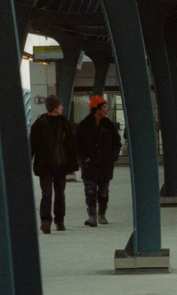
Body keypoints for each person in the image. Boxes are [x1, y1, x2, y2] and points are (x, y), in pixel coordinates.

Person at [29, 94, 78, 234]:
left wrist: (72, 164)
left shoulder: (64, 123)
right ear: (55, 108)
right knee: (47, 194)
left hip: (60, 165)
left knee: (60, 194)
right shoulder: (39, 125)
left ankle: (59, 220)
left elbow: (71, 145)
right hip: (45, 166)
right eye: (60, 106)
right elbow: (32, 146)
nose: (62, 108)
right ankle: (46, 221)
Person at [77, 95, 121, 227]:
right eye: (104, 107)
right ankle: (92, 216)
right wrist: (85, 158)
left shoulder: (109, 126)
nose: (107, 110)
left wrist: (112, 158)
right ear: (97, 110)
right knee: (90, 192)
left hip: (104, 165)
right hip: (89, 165)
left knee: (103, 192)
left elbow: (117, 143)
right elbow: (76, 144)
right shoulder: (84, 125)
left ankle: (102, 214)